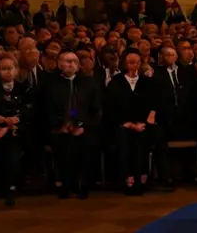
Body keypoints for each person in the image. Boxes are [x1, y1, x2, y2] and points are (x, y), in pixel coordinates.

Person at [45, 51, 100, 199]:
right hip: (59, 127)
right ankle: (65, 184)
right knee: (63, 145)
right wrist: (62, 125)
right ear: (59, 64)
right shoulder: (50, 84)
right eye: (67, 61)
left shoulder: (88, 83)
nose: (71, 64)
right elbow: (46, 109)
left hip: (83, 127)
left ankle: (82, 183)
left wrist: (80, 124)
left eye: (74, 61)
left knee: (87, 144)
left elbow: (95, 109)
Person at [104, 50, 156, 195]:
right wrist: (127, 123)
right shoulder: (116, 82)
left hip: (143, 123)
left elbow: (154, 102)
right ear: (125, 64)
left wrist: (149, 117)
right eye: (131, 62)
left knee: (143, 141)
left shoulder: (147, 81)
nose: (135, 65)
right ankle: (127, 176)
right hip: (122, 124)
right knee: (124, 141)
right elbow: (110, 106)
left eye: (138, 62)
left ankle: (142, 175)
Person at [0, 53, 29, 206]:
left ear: (16, 70)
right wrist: (2, 121)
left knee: (13, 152)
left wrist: (11, 123)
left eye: (10, 68)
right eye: (3, 69)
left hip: (17, 129)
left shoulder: (24, 88)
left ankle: (11, 188)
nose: (7, 72)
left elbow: (27, 110)